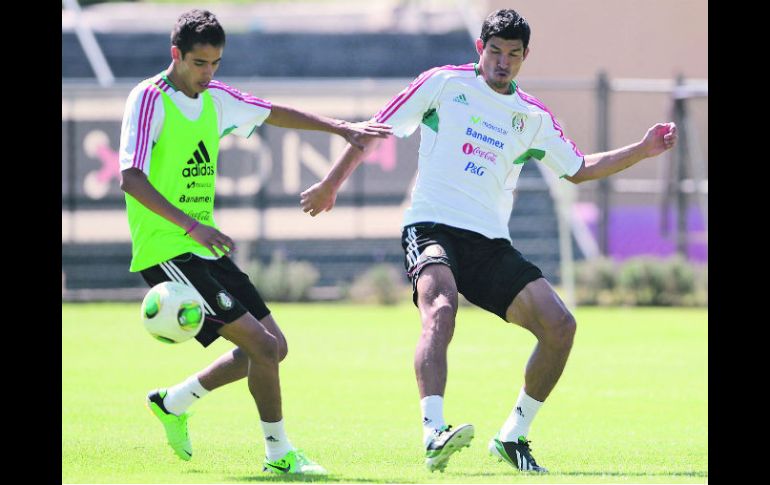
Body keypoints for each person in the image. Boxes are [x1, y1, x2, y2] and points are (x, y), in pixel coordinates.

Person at [300, 8, 677, 474]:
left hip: (489, 243)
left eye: (513, 55)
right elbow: (375, 130)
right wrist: (331, 184)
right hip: (432, 226)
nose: (502, 62)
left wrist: (643, 150)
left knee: (560, 327)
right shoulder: (444, 84)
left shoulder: (532, 116)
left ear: (524, 58)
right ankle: (433, 430)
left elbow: (578, 169)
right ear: (480, 49)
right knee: (440, 305)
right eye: (495, 51)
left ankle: (513, 436)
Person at [118, 9, 391, 475]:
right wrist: (192, 226)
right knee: (262, 348)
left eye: (216, 64)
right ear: (176, 55)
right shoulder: (148, 98)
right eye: (200, 63)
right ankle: (279, 454)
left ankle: (175, 401)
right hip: (168, 250)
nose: (208, 73)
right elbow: (130, 177)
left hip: (203, 247)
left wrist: (341, 128)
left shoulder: (217, 99)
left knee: (273, 347)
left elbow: (272, 113)